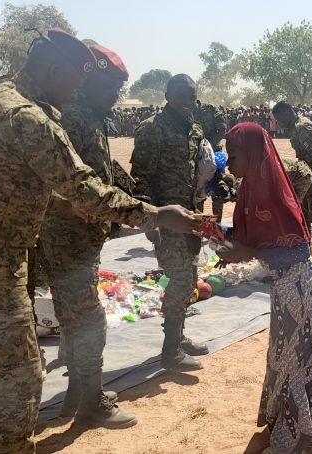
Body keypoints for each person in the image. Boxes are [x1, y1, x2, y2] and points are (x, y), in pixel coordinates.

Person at [0, 29, 199, 453]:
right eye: (75, 79)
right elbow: (83, 187)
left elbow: (69, 177)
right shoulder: (31, 119)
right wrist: (156, 214)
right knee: (19, 377)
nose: (76, 90)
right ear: (53, 71)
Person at [217, 122, 312, 454]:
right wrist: (208, 229)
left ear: (255, 154)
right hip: (283, 284)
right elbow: (246, 236)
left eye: (234, 156)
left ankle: (301, 439)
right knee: (287, 354)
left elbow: (299, 249)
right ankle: (289, 423)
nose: (229, 165)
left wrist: (250, 252)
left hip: (296, 284)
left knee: (293, 359)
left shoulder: (274, 193)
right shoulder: (251, 188)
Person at [40, 44, 138, 427]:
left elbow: (99, 170)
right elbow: (68, 183)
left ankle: (80, 394)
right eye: (111, 86)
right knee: (88, 320)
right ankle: (91, 403)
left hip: (81, 236)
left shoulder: (89, 116)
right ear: (89, 79)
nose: (116, 96)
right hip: (70, 236)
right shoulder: (76, 117)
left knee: (76, 316)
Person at [131, 74, 212, 372]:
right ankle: (170, 352)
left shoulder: (194, 129)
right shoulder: (152, 129)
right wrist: (149, 222)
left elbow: (199, 171)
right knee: (179, 280)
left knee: (190, 279)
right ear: (168, 95)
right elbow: (140, 178)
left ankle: (178, 337)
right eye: (183, 96)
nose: (189, 102)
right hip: (166, 218)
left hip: (190, 216)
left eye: (192, 97)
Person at [272, 101, 312, 272]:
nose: (279, 123)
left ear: (287, 113)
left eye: (279, 119)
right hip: (311, 175)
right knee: (305, 215)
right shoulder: (296, 127)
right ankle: (305, 254)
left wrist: (296, 168)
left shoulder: (301, 127)